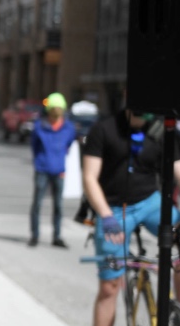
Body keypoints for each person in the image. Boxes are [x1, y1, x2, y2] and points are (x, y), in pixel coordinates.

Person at [83, 105, 180, 326]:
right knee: (109, 287)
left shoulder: (162, 131)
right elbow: (89, 178)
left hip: (150, 202)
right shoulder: (104, 129)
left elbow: (179, 171)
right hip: (114, 209)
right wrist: (106, 217)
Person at [28, 92, 77, 248]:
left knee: (58, 205)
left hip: (59, 170)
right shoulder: (39, 126)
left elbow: (68, 145)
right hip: (42, 168)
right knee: (37, 204)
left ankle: (57, 236)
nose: (56, 112)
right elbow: (34, 146)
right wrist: (39, 162)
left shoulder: (68, 128)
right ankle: (35, 235)